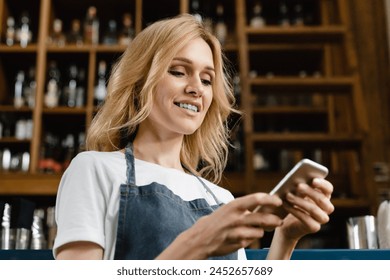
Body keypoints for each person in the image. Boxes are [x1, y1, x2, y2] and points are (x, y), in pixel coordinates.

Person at [53, 14, 334, 260]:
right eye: (178, 71)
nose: (196, 88)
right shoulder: (92, 170)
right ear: (139, 82)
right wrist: (196, 243)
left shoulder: (220, 198)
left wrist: (286, 238)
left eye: (207, 79)